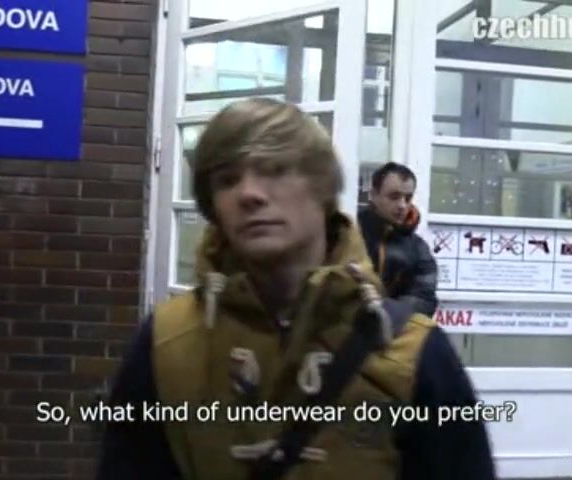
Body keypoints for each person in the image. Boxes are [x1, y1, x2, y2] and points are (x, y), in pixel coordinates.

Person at [96, 98, 495, 480]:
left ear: (323, 187)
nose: (249, 193)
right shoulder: (167, 342)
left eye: (274, 170)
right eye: (227, 180)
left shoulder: (413, 352)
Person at [358, 162, 439, 316]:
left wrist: (384, 310)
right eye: (394, 197)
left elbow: (425, 299)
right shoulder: (351, 236)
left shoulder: (418, 248)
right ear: (373, 195)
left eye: (408, 198)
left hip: (398, 328)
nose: (402, 205)